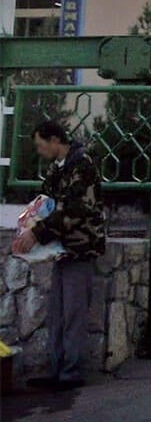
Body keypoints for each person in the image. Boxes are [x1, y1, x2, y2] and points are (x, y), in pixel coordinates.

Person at [11, 120, 106, 391]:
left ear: (55, 140)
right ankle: (57, 369)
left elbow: (77, 210)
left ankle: (71, 372)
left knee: (74, 312)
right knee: (58, 312)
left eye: (41, 145)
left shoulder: (82, 164)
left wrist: (38, 233)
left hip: (79, 247)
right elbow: (47, 202)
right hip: (62, 249)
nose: (40, 151)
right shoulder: (59, 168)